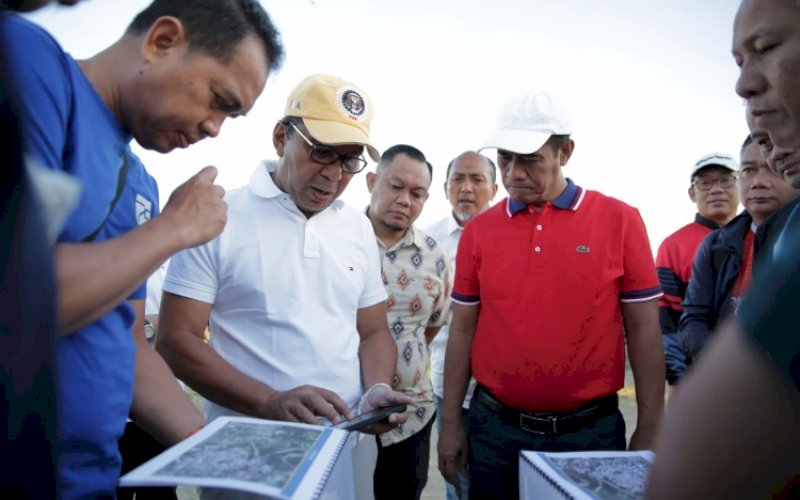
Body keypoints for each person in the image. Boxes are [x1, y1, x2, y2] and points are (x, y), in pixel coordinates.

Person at [0, 1, 284, 497]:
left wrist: (222, 455)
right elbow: (17, 294)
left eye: (231, 116)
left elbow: (128, 344)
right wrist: (175, 228)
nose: (215, 128)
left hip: (93, 477)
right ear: (162, 42)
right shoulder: (32, 66)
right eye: (219, 100)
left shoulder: (141, 183)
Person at [156, 74, 411, 497]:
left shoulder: (356, 227)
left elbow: (372, 331)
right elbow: (176, 339)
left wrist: (377, 389)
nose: (334, 174)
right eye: (322, 152)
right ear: (281, 138)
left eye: (349, 161)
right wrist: (268, 401)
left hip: (347, 445)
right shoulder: (219, 216)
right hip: (250, 452)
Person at [437, 90, 665, 499]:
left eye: (529, 159)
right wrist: (451, 422)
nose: (513, 173)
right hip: (494, 433)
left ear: (565, 152)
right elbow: (463, 330)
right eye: (505, 158)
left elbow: (645, 329)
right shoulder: (479, 232)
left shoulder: (620, 220)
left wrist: (650, 424)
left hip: (590, 434)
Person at [365, 144, 451, 500]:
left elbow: (431, 326)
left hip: (411, 416)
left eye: (417, 194)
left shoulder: (436, 255)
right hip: (345, 413)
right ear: (372, 182)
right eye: (395, 187)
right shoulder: (338, 239)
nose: (405, 200)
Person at [679, 136, 798, 362]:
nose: (758, 182)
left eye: (772, 168)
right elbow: (694, 319)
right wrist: (721, 365)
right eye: (748, 170)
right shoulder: (715, 245)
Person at [425, 150, 497, 500]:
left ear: (494, 189)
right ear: (445, 188)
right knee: (458, 477)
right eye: (458, 179)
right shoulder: (428, 241)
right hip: (447, 383)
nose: (466, 188)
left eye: (477, 180)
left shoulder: (509, 234)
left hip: (500, 390)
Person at [655, 152, 739, 384]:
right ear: (692, 193)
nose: (716, 189)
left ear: (741, 184)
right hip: (697, 378)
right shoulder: (673, 246)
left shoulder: (761, 235)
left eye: (726, 180)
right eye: (705, 183)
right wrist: (680, 381)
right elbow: (666, 323)